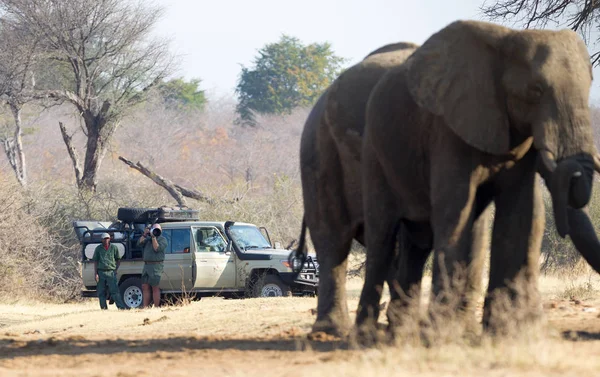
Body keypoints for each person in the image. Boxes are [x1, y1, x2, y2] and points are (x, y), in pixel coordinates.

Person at [92, 233, 127, 310]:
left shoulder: (114, 248)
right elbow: (95, 261)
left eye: (107, 238)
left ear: (110, 239)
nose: (106, 240)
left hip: (111, 271)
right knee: (101, 291)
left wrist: (115, 270)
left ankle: (121, 307)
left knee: (115, 290)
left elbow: (118, 259)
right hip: (101, 271)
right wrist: (96, 273)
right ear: (102, 240)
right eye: (104, 238)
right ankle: (103, 308)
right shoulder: (98, 248)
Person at [138, 223, 168, 308]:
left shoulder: (163, 239)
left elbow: (156, 248)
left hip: (156, 266)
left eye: (157, 229)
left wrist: (153, 237)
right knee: (145, 286)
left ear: (161, 231)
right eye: (154, 229)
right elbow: (139, 243)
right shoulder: (147, 239)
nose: (155, 231)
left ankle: (156, 306)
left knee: (155, 287)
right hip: (147, 265)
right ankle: (145, 306)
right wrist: (145, 234)